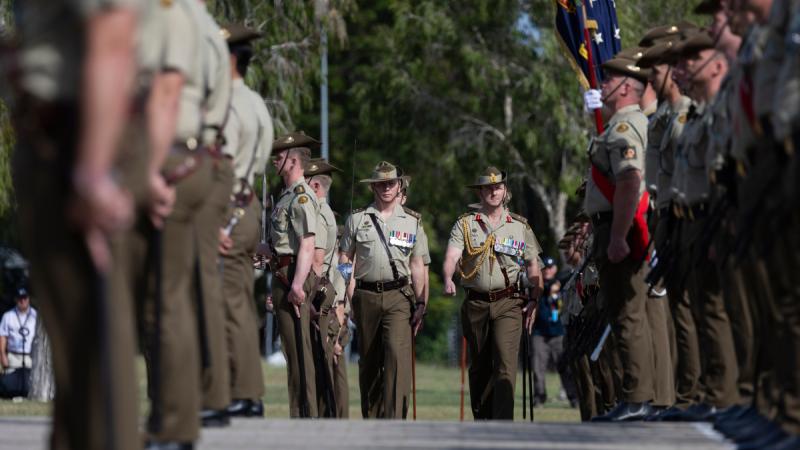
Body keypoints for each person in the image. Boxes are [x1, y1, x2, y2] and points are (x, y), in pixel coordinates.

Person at [11, 0, 140, 448]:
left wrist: (91, 171)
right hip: (54, 130)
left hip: (73, 137)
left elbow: (111, 31)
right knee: (75, 354)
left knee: (89, 351)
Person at [582, 55, 657, 422]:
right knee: (625, 314)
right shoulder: (620, 125)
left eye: (609, 80)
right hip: (613, 224)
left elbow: (629, 181)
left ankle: (638, 397)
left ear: (626, 87)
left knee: (628, 314)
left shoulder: (626, 127)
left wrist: (617, 236)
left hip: (618, 226)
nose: (602, 85)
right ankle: (638, 396)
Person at [442, 167, 542, 420]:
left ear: (505, 191)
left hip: (509, 301)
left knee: (505, 365)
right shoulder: (466, 224)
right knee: (480, 367)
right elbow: (452, 256)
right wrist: (448, 278)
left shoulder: (519, 226)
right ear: (480, 192)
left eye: (498, 187)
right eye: (488, 188)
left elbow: (533, 266)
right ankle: (483, 421)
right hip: (476, 303)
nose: (493, 192)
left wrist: (534, 298)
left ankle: (503, 425)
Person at [339, 161, 428, 419]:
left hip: (399, 296)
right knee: (369, 361)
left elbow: (418, 265)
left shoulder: (412, 221)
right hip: (365, 295)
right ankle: (373, 419)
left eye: (391, 183)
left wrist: (421, 303)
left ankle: (395, 419)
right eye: (381, 183)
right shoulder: (357, 219)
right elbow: (345, 259)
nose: (386, 188)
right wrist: (349, 293)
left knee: (396, 356)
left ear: (399, 185)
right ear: (373, 187)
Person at [219, 22, 273, 420]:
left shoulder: (228, 104)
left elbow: (221, 163)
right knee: (236, 298)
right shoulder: (255, 102)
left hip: (228, 204)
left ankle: (241, 390)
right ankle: (247, 391)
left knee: (228, 300)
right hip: (247, 201)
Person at [268, 133, 321, 418]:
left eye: (279, 156)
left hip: (292, 276)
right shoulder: (286, 195)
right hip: (282, 272)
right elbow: (281, 242)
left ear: (294, 161)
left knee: (300, 350)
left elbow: (307, 244)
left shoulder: (301, 195)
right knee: (291, 349)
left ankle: (306, 415)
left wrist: (298, 285)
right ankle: (298, 413)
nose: (275, 161)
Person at [304, 157, 349, 418]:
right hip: (329, 301)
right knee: (326, 367)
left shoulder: (320, 215)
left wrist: (342, 314)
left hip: (325, 302)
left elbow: (330, 269)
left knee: (328, 367)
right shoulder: (322, 213)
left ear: (316, 186)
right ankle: (330, 417)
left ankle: (331, 419)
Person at [532, 259, 577, 408]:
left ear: (555, 269)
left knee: (565, 367)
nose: (548, 270)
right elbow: (543, 287)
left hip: (559, 332)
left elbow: (571, 275)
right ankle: (539, 397)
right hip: (539, 332)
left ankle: (573, 397)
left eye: (551, 268)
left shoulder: (561, 283)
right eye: (545, 268)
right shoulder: (537, 284)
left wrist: (556, 284)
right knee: (538, 368)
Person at [0, 287, 37, 398]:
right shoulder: (8, 316)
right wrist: (3, 355)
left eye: (25, 298)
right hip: (13, 355)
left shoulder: (35, 315)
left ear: (28, 299)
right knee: (10, 384)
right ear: (16, 299)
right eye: (20, 298)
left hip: (30, 355)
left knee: (30, 383)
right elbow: (3, 336)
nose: (23, 301)